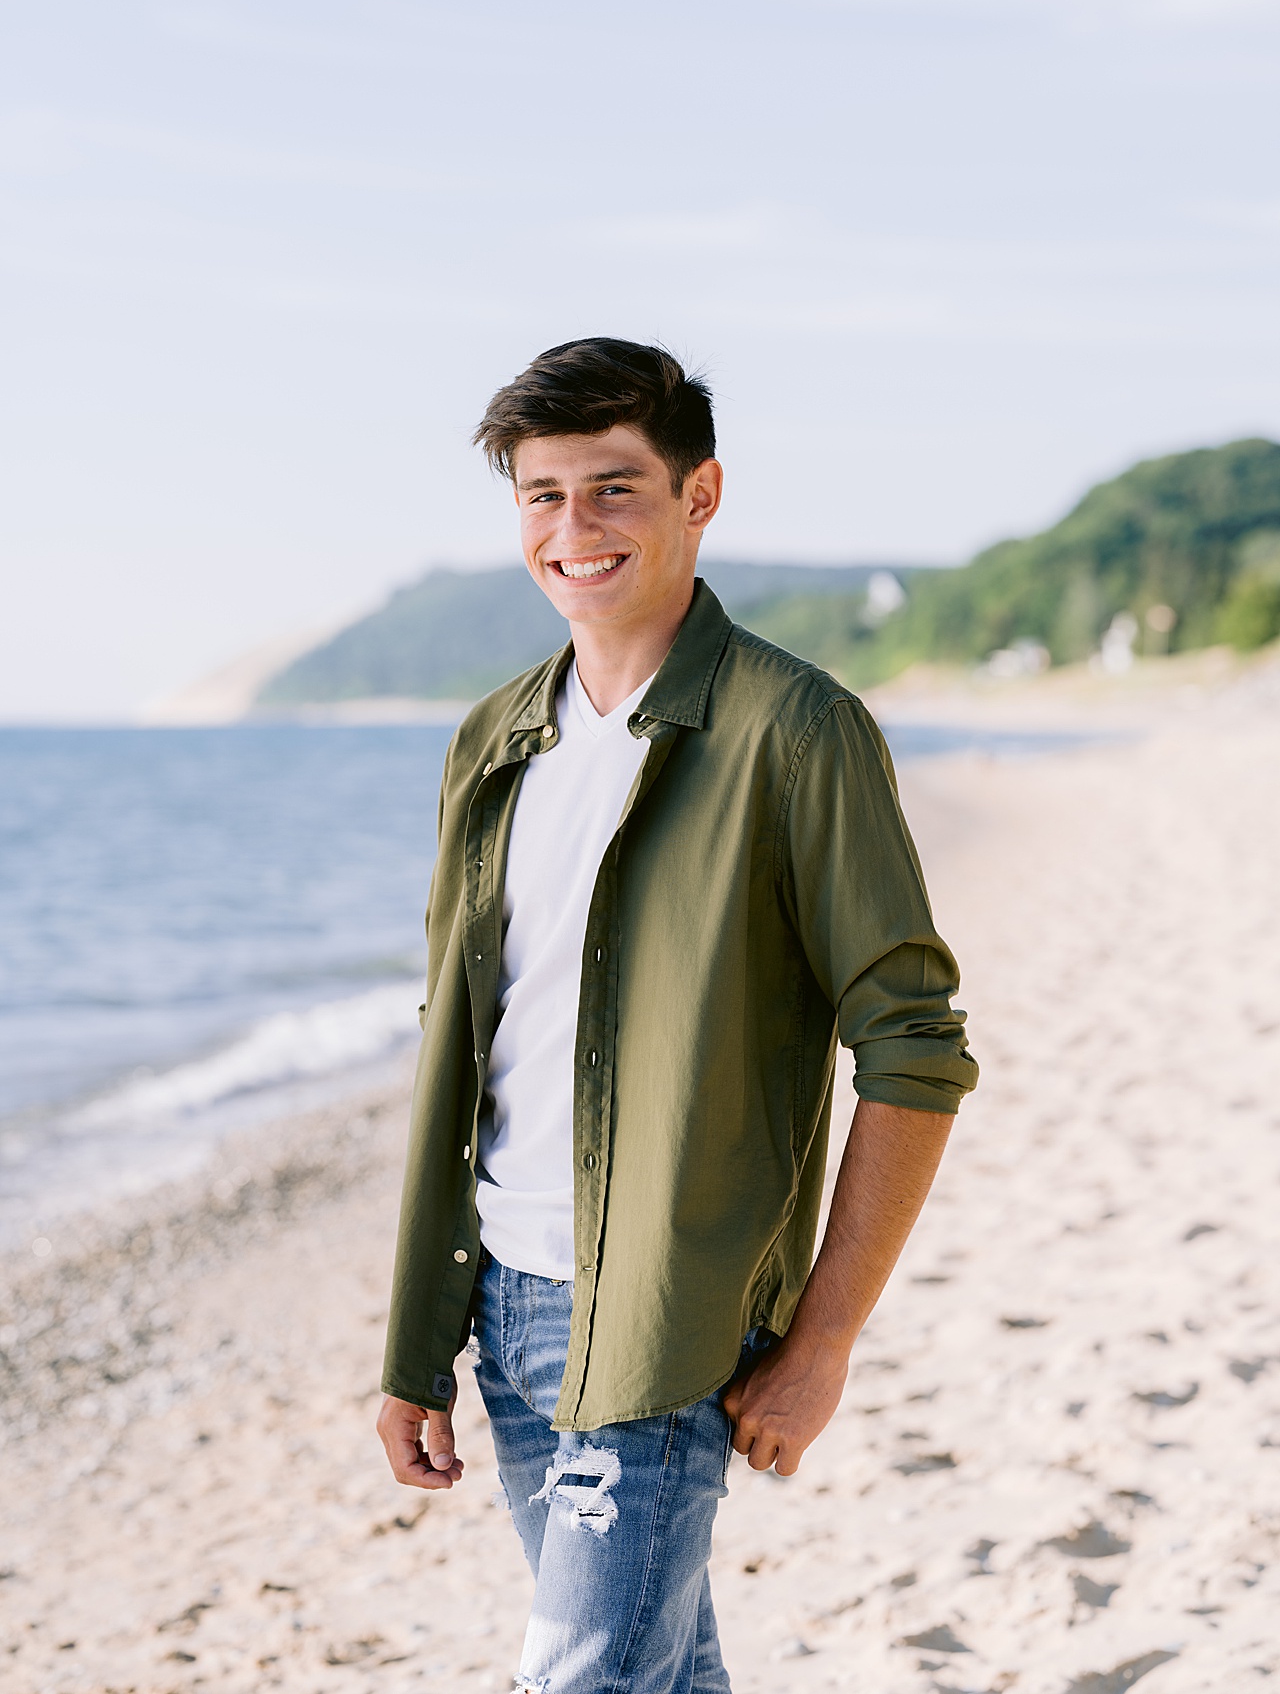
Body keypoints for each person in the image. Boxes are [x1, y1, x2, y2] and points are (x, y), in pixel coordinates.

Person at [376, 338, 978, 1692]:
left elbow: (914, 1046)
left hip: (663, 1319)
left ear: (700, 494)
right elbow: (463, 1047)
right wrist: (418, 1340)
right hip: (507, 1312)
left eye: (614, 488)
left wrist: (822, 1339)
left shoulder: (796, 731)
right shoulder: (492, 740)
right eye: (542, 495)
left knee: (581, 1674)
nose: (572, 529)